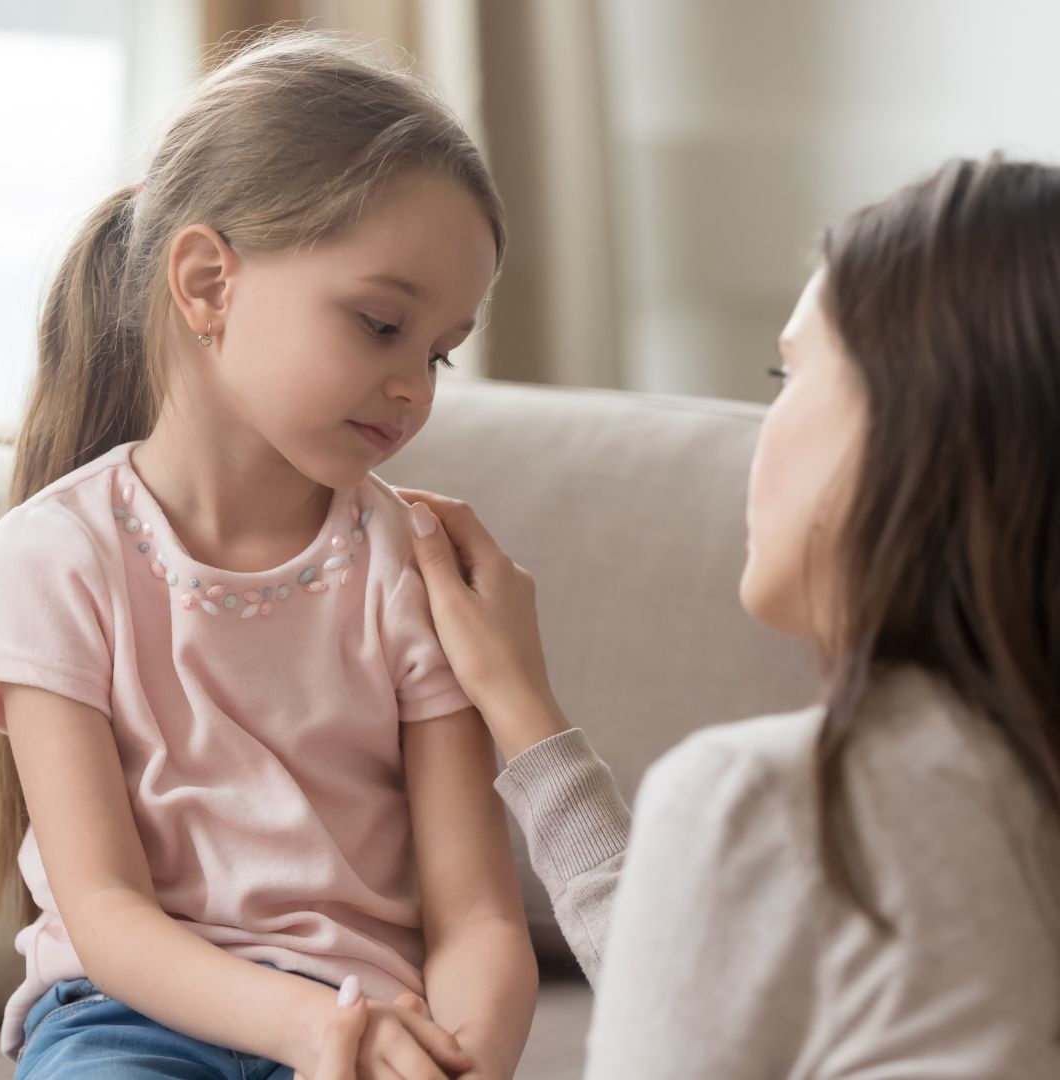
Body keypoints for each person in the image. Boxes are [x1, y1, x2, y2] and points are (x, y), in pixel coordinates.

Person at [392, 157, 1060, 1077]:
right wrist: (521, 708)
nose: (765, 426)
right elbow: (703, 979)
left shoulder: (774, 802)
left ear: (918, 425)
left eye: (790, 375)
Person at [0, 30, 536, 1080]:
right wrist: (304, 1030)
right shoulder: (54, 556)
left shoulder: (408, 568)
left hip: (369, 1019)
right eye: (380, 324)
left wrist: (464, 1061)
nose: (417, 385)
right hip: (120, 1018)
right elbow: (103, 910)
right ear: (206, 284)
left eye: (440, 351)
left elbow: (477, 922)